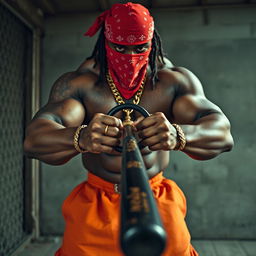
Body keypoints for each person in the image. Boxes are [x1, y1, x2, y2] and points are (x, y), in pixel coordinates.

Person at [24, 2, 234, 256]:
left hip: (156, 197)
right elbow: (34, 140)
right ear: (105, 42)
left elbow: (223, 134)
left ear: (152, 42)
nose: (130, 56)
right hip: (98, 202)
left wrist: (178, 134)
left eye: (140, 47)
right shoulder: (82, 84)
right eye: (120, 47)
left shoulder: (171, 81)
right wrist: (81, 136)